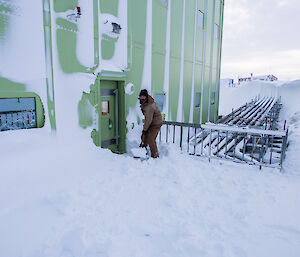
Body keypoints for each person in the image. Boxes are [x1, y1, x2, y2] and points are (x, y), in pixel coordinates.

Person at [139, 89, 163, 158]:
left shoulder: (149, 106)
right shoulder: (146, 102)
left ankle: (155, 155)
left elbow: (148, 119)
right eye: (141, 97)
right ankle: (143, 150)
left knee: (151, 138)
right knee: (145, 136)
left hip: (156, 123)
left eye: (143, 97)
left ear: (146, 97)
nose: (142, 98)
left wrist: (145, 129)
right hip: (151, 122)